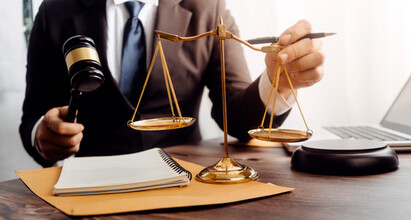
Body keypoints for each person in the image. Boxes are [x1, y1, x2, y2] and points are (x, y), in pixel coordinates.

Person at [20, 0, 325, 167]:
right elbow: (32, 119)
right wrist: (43, 136)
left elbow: (238, 117)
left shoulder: (209, 8)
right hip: (90, 180)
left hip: (182, 176)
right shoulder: (55, 10)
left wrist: (278, 81)